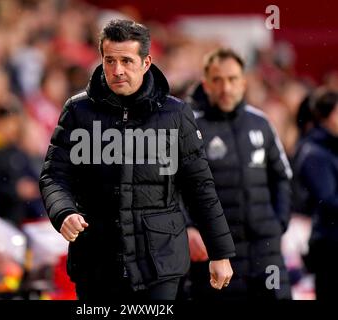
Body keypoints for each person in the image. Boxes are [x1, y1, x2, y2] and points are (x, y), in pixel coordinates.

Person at [39, 19, 235, 301]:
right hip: (96, 261)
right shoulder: (77, 111)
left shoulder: (175, 114)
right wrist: (64, 212)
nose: (117, 70)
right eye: (110, 60)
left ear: (146, 62)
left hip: (160, 263)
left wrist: (220, 253)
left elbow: (199, 186)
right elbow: (54, 175)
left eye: (127, 61)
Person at [185, 48, 293, 300]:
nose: (226, 87)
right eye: (218, 80)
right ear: (206, 84)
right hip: (219, 254)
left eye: (233, 79)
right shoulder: (191, 129)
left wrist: (279, 223)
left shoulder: (261, 123)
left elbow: (282, 177)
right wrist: (190, 227)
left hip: (267, 253)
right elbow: (176, 187)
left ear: (243, 82)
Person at [293, 91, 338, 300]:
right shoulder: (314, 152)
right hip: (329, 245)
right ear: (327, 117)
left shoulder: (330, 148)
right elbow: (327, 200)